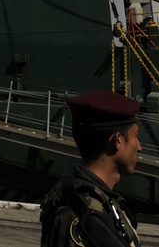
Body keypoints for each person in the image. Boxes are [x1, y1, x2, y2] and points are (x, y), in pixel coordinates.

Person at [40, 91, 143, 247]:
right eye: (136, 136)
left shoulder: (100, 202)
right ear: (118, 140)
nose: (139, 147)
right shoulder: (82, 213)